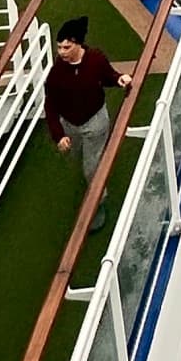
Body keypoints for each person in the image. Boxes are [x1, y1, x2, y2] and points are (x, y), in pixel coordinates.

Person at [44, 16, 131, 231]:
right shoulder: (56, 73)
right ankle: (93, 179)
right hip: (70, 124)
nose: (61, 52)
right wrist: (59, 135)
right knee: (78, 156)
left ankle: (97, 203)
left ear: (78, 44)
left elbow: (108, 76)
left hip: (95, 122)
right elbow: (51, 106)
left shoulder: (96, 59)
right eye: (59, 47)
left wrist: (119, 79)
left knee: (92, 167)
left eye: (66, 47)